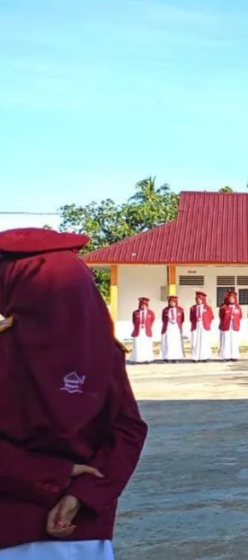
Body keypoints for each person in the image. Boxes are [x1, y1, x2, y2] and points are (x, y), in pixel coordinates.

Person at [0, 228, 147, 559]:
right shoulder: (105, 352)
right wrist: (83, 493)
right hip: (84, 532)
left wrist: (51, 476)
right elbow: (129, 430)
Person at [218, 290, 244, 362]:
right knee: (226, 341)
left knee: (234, 341)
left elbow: (240, 316)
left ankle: (234, 356)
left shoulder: (238, 307)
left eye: (232, 298)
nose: (231, 300)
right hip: (226, 326)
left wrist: (235, 319)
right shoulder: (224, 306)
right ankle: (225, 356)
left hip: (234, 326)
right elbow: (221, 316)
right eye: (230, 298)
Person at [189, 291, 214, 362]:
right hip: (196, 325)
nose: (199, 301)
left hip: (204, 326)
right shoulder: (193, 308)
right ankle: (195, 357)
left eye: (200, 299)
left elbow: (211, 317)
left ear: (203, 300)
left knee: (204, 341)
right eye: (197, 299)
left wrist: (206, 322)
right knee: (195, 341)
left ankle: (204, 357)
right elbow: (191, 318)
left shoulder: (208, 308)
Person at [130, 297, 155, 364]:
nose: (143, 306)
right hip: (138, 331)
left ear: (147, 305)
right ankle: (137, 359)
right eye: (142, 305)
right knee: (138, 345)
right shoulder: (135, 312)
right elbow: (134, 321)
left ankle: (147, 359)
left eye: (144, 305)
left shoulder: (151, 313)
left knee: (146, 345)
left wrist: (147, 327)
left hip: (146, 331)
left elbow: (152, 321)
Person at [160, 296, 185, 363]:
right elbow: (163, 319)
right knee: (168, 342)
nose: (172, 303)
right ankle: (167, 357)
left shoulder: (180, 309)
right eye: (170, 302)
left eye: (173, 302)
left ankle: (175, 358)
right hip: (168, 327)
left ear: (176, 302)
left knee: (176, 343)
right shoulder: (165, 310)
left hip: (176, 328)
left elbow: (182, 319)